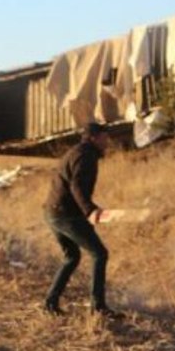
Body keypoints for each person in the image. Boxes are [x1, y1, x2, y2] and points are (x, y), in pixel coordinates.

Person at [42, 122, 122, 318]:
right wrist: (89, 211)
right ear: (94, 137)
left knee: (72, 257)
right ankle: (98, 307)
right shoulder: (85, 156)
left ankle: (50, 302)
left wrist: (90, 209)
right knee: (99, 254)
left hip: (54, 212)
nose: (107, 141)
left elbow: (75, 187)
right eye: (104, 137)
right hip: (65, 215)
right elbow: (76, 186)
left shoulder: (79, 152)